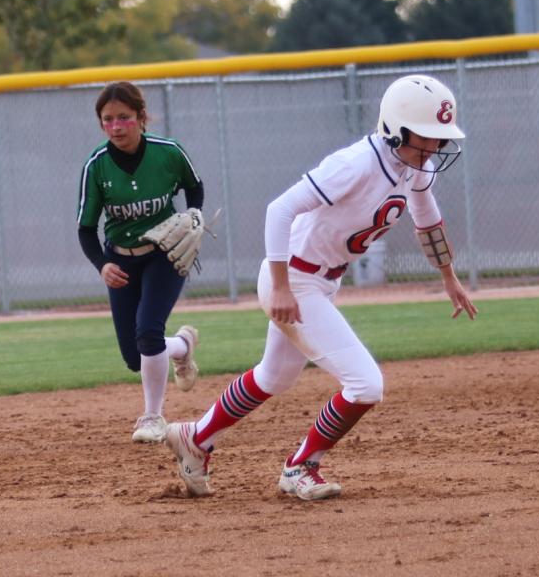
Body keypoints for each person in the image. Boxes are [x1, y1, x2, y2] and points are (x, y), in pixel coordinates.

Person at [163, 73, 479, 501]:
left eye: (440, 139)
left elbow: (427, 219)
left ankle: (195, 437)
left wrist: (449, 277)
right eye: (427, 137)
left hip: (321, 280)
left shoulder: (415, 168)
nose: (435, 148)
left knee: (273, 376)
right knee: (366, 385)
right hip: (293, 278)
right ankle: (301, 467)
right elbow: (280, 210)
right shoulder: (356, 165)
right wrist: (280, 287)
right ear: (396, 129)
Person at [75, 80, 205, 443]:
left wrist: (194, 213)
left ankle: (152, 417)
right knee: (137, 356)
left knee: (148, 330)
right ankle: (181, 345)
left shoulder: (168, 152)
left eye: (124, 118)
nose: (116, 127)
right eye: (108, 119)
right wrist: (102, 264)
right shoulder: (96, 166)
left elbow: (195, 186)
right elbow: (86, 228)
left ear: (142, 117)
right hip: (122, 261)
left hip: (165, 255)